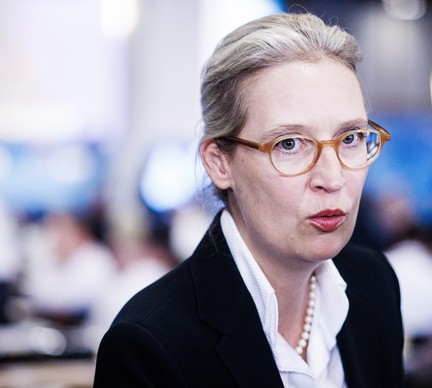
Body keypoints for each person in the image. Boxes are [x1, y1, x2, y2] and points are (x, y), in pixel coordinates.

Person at [94, 12, 404, 387]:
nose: (333, 178)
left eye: (350, 138)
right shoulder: (151, 343)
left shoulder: (373, 285)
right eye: (289, 144)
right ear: (219, 163)